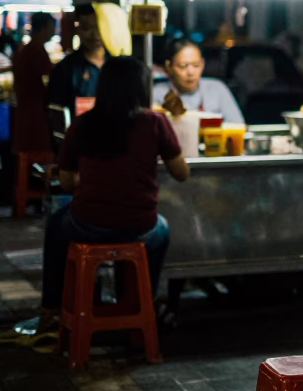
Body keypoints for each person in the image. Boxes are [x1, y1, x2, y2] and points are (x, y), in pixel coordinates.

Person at [37, 57, 190, 330]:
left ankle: (51, 307)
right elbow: (181, 173)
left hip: (87, 224)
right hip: (140, 227)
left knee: (57, 223)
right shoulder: (156, 122)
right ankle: (144, 301)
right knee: (163, 229)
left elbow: (68, 183)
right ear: (141, 88)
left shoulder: (83, 124)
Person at [152, 39, 244, 123]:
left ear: (202, 64)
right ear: (169, 67)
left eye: (196, 65)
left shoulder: (217, 88)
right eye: (182, 66)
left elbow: (238, 125)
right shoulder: (157, 94)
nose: (190, 72)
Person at [47, 4, 104, 118]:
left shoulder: (119, 67)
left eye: (99, 27)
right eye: (87, 28)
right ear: (78, 30)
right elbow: (55, 113)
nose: (94, 34)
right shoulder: (65, 69)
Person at [11, 12, 56, 154]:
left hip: (26, 111)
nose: (54, 31)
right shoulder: (37, 51)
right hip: (35, 114)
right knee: (35, 153)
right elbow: (48, 80)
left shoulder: (27, 49)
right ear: (44, 28)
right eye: (52, 27)